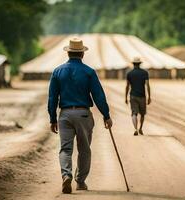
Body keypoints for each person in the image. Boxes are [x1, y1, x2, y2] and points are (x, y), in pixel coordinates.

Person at [48, 38, 113, 194]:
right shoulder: (89, 72)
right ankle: (81, 181)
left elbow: (52, 98)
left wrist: (52, 118)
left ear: (68, 53)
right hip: (83, 114)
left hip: (65, 115)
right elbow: (98, 96)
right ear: (82, 53)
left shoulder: (57, 71)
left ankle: (66, 175)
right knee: (84, 149)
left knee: (65, 149)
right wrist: (106, 115)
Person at [125, 57, 151, 136]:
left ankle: (135, 129)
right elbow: (147, 85)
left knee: (134, 113)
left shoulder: (129, 73)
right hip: (142, 96)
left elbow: (127, 86)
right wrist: (149, 97)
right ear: (140, 64)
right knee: (142, 114)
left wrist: (125, 97)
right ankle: (140, 128)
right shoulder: (144, 73)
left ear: (133, 64)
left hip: (132, 96)